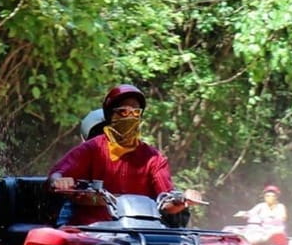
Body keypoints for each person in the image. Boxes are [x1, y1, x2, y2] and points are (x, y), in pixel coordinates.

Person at [49, 84, 194, 226]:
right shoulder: (91, 148)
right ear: (110, 116)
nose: (129, 117)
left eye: (135, 113)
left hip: (139, 232)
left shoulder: (154, 158)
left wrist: (183, 200)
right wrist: (59, 180)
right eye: (123, 112)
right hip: (92, 232)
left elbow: (166, 200)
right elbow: (57, 174)